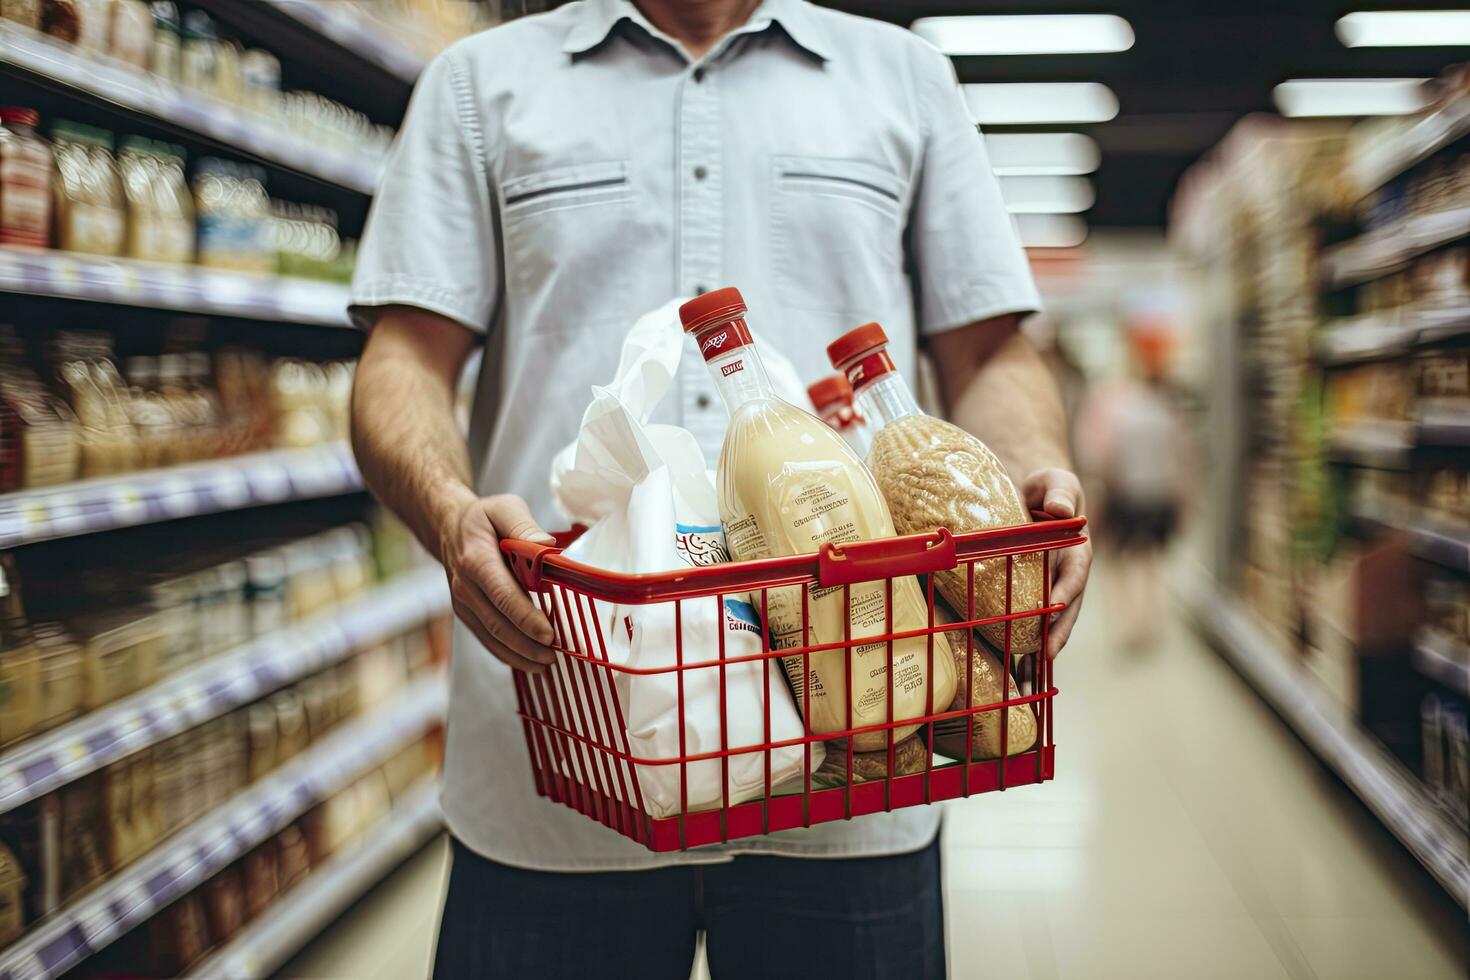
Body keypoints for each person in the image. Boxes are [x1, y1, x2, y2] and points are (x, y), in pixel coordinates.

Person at [347, 1, 1093, 976]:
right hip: (564, 747)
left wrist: (1025, 473)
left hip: (860, 756)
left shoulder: (904, 79)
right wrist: (450, 511)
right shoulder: (480, 85)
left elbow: (989, 347)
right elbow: (403, 358)